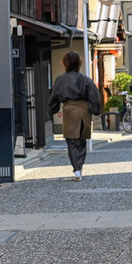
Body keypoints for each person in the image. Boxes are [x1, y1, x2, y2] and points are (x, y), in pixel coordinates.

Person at [48, 51, 101, 181]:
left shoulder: (61, 79)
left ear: (65, 63)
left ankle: (76, 169)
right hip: (84, 110)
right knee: (82, 140)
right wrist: (94, 109)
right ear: (79, 63)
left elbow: (53, 97)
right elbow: (95, 96)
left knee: (72, 142)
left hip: (69, 110)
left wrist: (53, 108)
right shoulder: (85, 79)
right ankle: (80, 168)